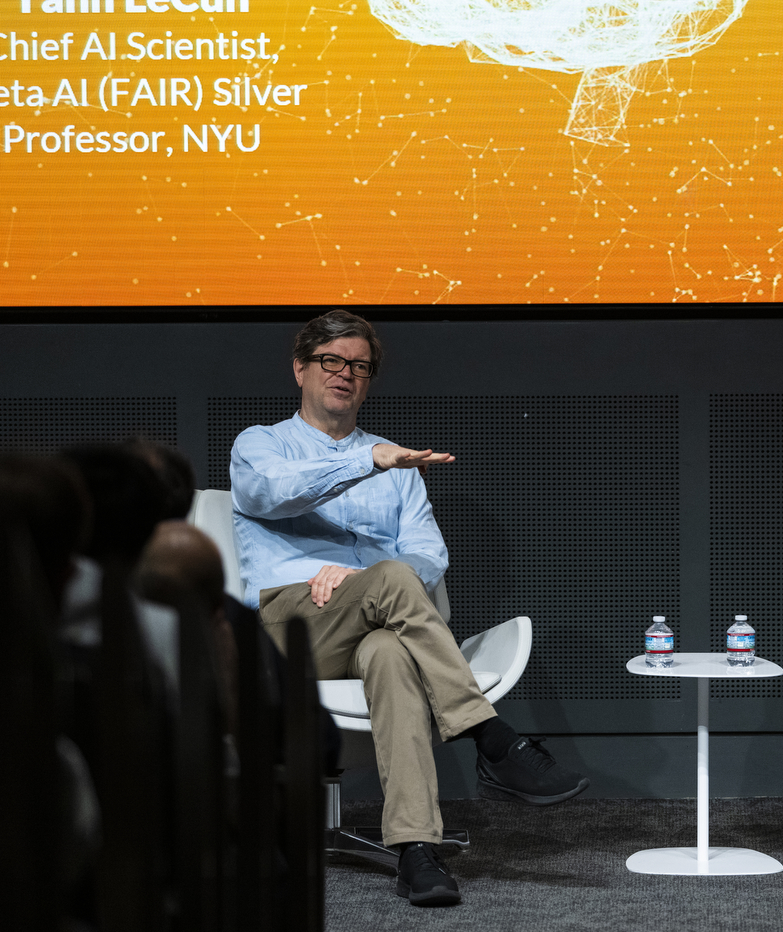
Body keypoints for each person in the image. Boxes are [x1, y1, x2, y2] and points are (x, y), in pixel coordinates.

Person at [230, 309, 588, 908]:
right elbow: (269, 492)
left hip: (375, 622)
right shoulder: (262, 443)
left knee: (393, 647)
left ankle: (417, 851)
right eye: (331, 361)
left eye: (360, 366)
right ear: (301, 368)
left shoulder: (399, 467)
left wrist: (370, 580)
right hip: (289, 628)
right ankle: (489, 736)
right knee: (390, 577)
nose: (345, 374)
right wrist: (365, 464)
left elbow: (428, 556)